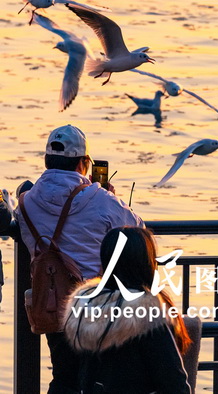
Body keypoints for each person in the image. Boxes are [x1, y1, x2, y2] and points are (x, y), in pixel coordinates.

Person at [16, 125, 144, 394]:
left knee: (64, 377)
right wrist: (110, 196)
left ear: (47, 161)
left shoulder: (26, 203)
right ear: (83, 163)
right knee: (96, 380)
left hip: (53, 303)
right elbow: (138, 232)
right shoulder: (102, 200)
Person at [62, 227, 191, 393]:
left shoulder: (82, 310)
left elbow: (68, 376)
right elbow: (175, 384)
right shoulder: (147, 316)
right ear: (146, 263)